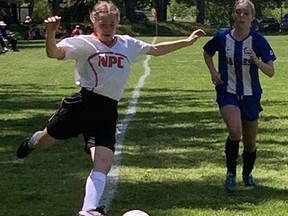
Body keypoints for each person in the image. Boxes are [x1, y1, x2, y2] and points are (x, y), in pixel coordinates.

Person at [16, 0, 205, 215]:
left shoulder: (127, 44)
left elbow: (155, 49)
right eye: (103, 24)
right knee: (43, 142)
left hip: (107, 111)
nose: (107, 29)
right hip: (82, 105)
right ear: (93, 20)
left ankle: (88, 210)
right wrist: (51, 34)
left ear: (117, 23)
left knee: (103, 163)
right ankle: (31, 141)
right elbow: (55, 53)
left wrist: (187, 41)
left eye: (112, 25)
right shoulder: (83, 43)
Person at [203, 0, 276, 193]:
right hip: (227, 92)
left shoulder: (258, 40)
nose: (241, 17)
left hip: (251, 95)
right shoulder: (222, 36)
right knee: (235, 132)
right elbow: (207, 52)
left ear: (252, 17)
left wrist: (256, 60)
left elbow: (270, 71)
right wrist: (213, 72)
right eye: (238, 12)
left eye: (245, 13)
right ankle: (230, 175)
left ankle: (247, 173)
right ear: (233, 15)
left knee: (250, 143)